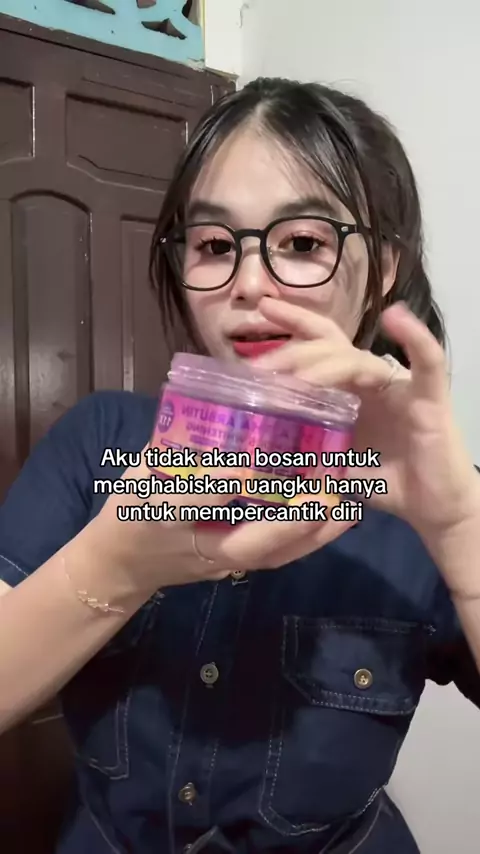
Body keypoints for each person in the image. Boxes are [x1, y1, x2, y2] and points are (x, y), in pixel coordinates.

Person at [0, 77, 479, 854]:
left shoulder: (431, 495)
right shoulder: (101, 443)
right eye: (216, 246)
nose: (249, 284)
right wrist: (116, 564)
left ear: (384, 268)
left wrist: (460, 528)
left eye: (304, 243)